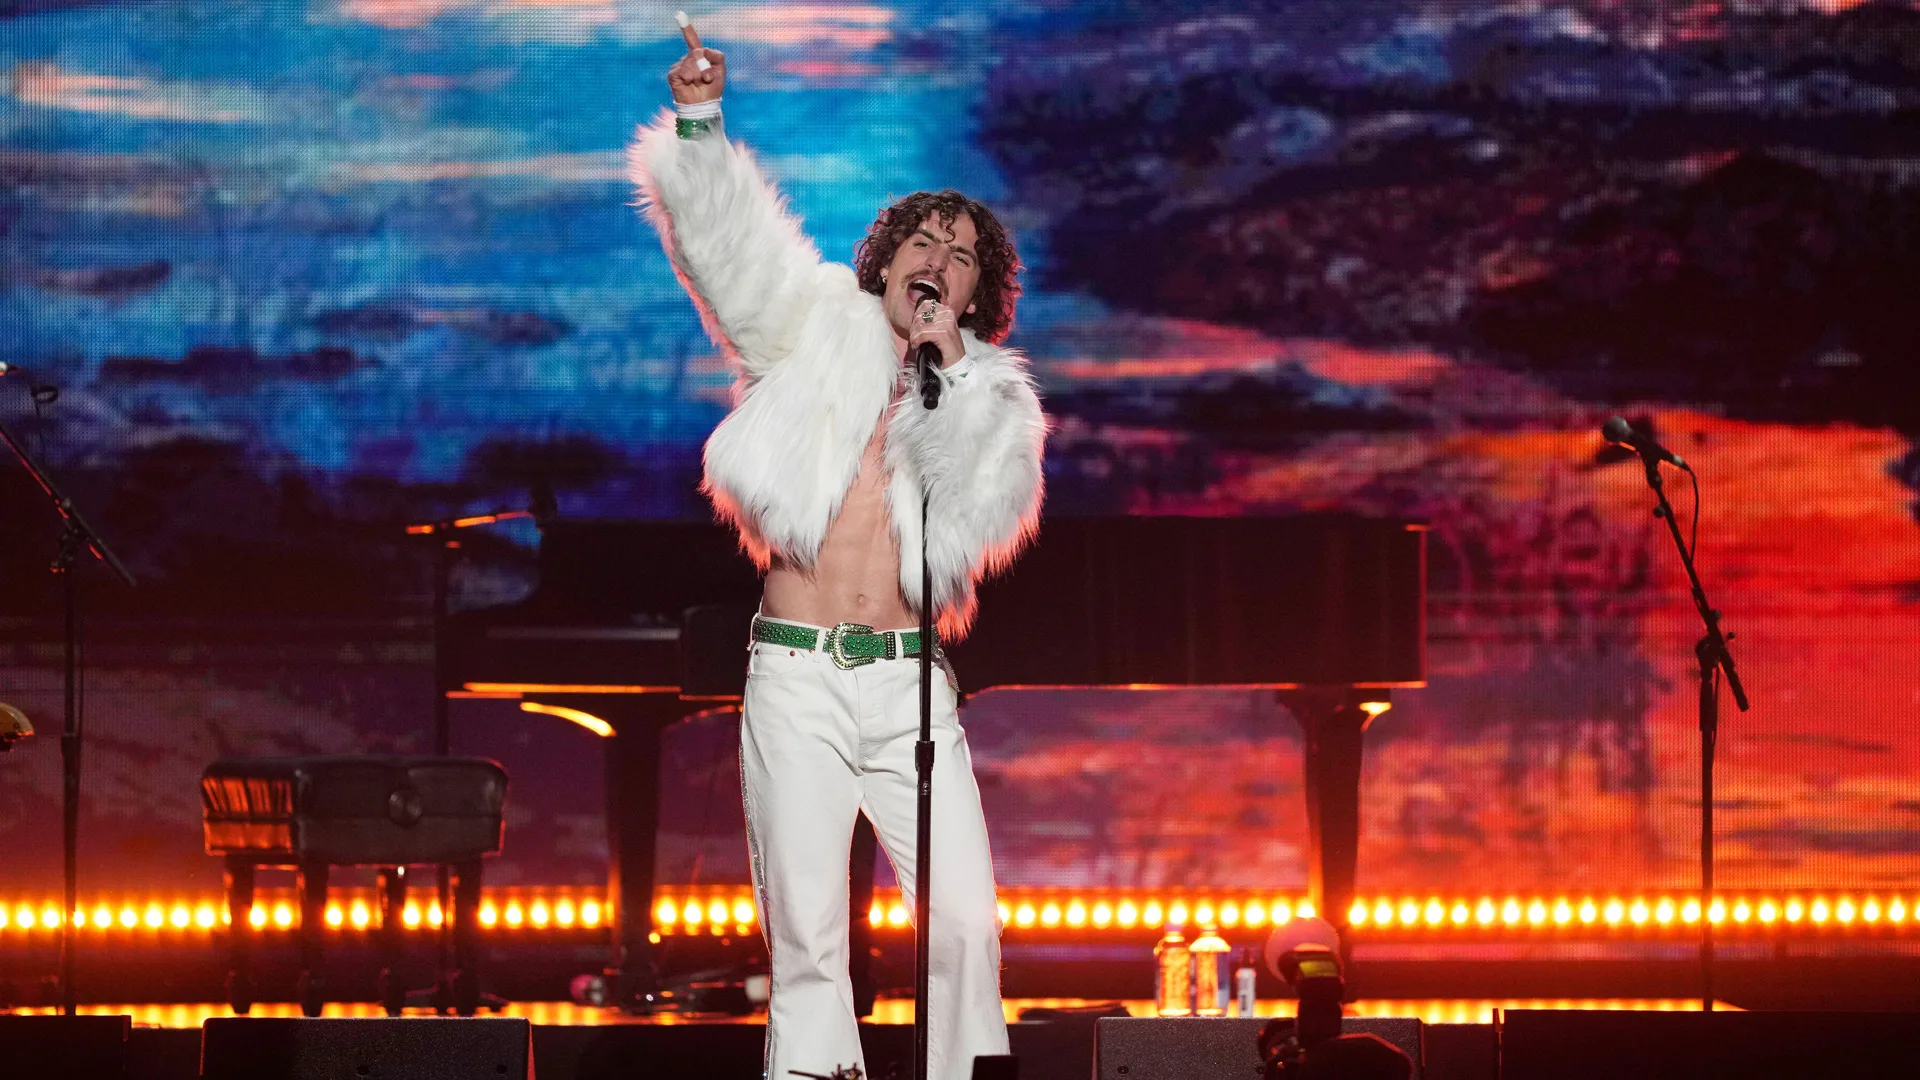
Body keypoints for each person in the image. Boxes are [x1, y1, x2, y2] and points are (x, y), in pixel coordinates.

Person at [629, 37, 1047, 1080]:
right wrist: (697, 127)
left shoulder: (992, 394)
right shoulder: (815, 321)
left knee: (962, 928)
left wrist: (945, 376)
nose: (936, 261)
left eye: (960, 254)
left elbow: (980, 512)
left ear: (978, 288)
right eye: (923, 239)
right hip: (799, 672)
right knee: (810, 944)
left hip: (908, 691)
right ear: (889, 251)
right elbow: (728, 254)